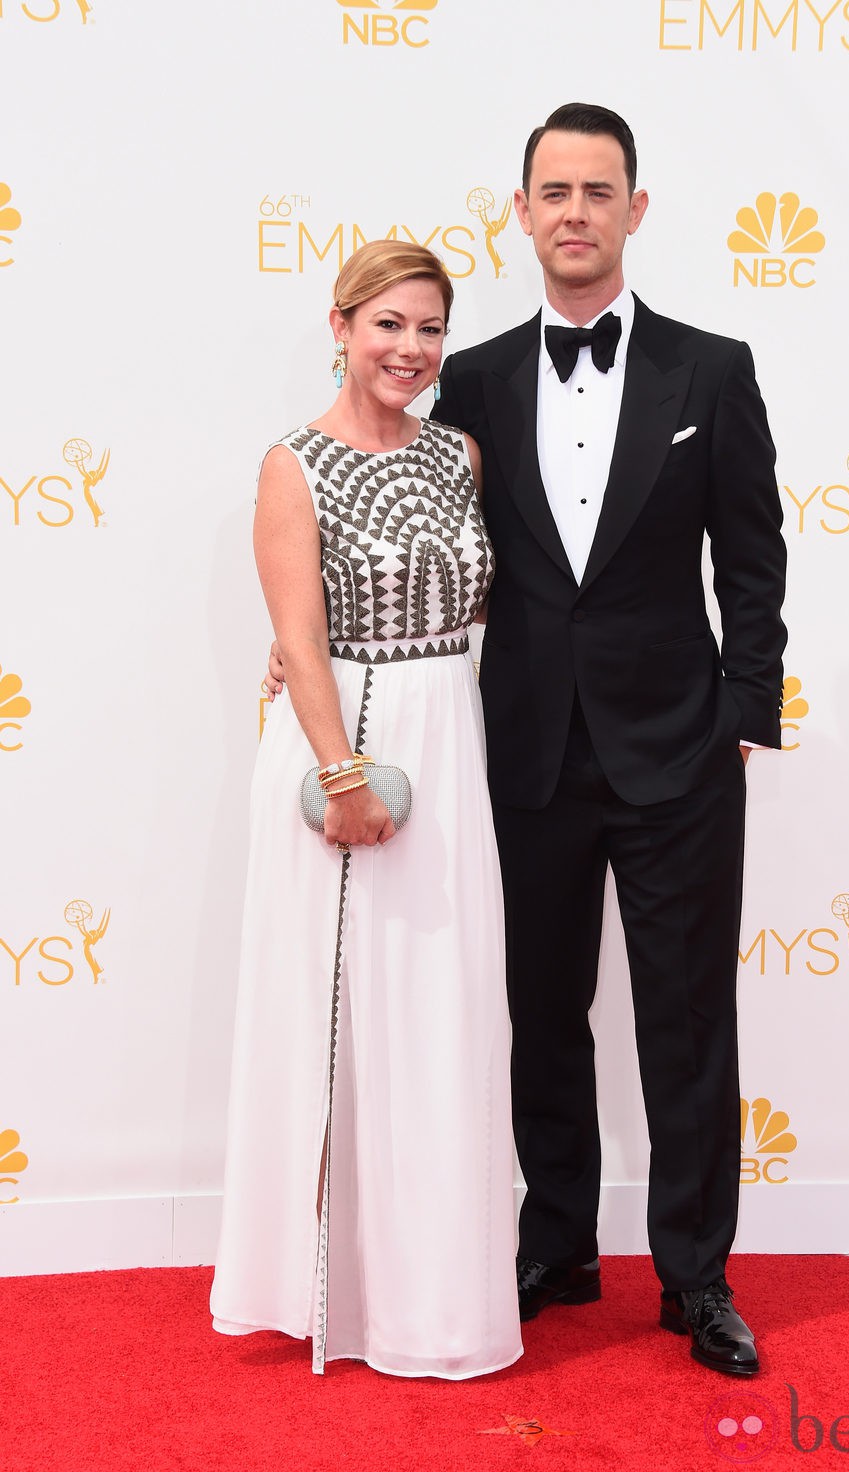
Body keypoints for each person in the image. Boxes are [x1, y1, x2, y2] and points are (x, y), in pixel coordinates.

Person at [267, 103, 787, 1378]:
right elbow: (432, 543)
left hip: (676, 758)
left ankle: (695, 1275)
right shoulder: (478, 378)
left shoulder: (710, 369)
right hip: (523, 756)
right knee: (539, 1013)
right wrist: (304, 639)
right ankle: (553, 1242)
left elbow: (754, 557)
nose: (572, 211)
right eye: (550, 190)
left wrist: (739, 714)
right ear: (520, 210)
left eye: (595, 191)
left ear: (634, 210)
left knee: (683, 1020)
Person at [210, 240, 522, 1380]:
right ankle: (327, 1299)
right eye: (387, 323)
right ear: (338, 325)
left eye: (429, 328)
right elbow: (297, 638)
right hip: (348, 752)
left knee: (440, 1015)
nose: (410, 348)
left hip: (450, 746)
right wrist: (342, 774)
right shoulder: (292, 464)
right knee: (342, 1018)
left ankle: (433, 1298)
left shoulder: (459, 455)